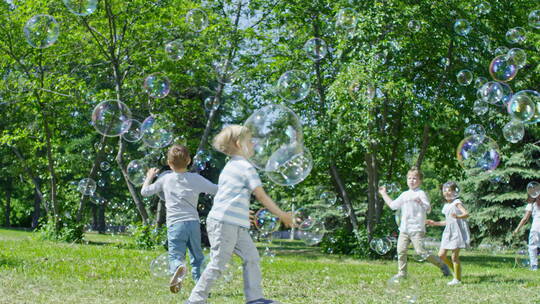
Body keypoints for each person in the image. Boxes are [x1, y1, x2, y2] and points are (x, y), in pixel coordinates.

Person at [185, 125, 294, 304]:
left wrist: (242, 212)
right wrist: (282, 215)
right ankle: (195, 300)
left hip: (233, 223)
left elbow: (229, 195)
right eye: (250, 140)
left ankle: (255, 298)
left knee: (251, 257)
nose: (253, 144)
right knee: (218, 263)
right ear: (238, 143)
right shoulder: (245, 167)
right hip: (224, 223)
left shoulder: (231, 166)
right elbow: (260, 195)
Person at [141, 144, 218, 293]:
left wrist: (149, 177)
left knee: (175, 254)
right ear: (189, 160)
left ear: (169, 163)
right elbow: (216, 189)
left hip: (175, 225)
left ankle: (178, 267)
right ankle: (199, 288)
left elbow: (145, 192)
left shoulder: (166, 179)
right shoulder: (196, 178)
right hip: (193, 224)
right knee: (197, 257)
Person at [378, 166, 451, 280]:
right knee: (401, 251)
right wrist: (383, 194)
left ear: (420, 181)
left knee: (421, 251)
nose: (412, 180)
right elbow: (393, 206)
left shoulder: (421, 193)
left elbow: (428, 208)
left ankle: (442, 265)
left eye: (415, 178)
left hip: (417, 229)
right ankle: (402, 273)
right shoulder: (404, 194)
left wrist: (421, 202)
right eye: (409, 178)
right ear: (407, 180)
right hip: (404, 229)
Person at [426, 181, 470, 285]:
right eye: (444, 190)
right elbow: (448, 222)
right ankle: (456, 271)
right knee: (441, 255)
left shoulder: (457, 202)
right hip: (448, 232)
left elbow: (466, 214)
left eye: (449, 190)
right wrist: (434, 223)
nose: (446, 192)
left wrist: (458, 217)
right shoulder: (446, 205)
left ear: (455, 192)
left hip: (456, 232)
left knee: (454, 257)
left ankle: (457, 279)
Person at [513, 194, 540, 271]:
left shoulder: (531, 204)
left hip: (536, 228)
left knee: (532, 247)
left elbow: (525, 218)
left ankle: (534, 266)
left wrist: (517, 229)